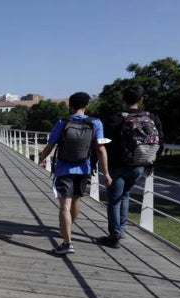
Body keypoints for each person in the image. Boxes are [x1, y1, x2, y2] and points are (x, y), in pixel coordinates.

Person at [39, 92, 111, 254]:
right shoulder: (96, 123)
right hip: (84, 169)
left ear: (70, 105)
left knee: (65, 205)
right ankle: (69, 226)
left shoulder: (62, 123)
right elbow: (101, 149)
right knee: (76, 200)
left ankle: (67, 243)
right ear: (86, 106)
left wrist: (42, 158)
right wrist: (106, 173)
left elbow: (50, 145)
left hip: (64, 169)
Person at [97, 85, 163, 248]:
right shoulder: (152, 117)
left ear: (122, 100)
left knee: (114, 200)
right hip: (139, 165)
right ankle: (121, 230)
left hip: (117, 165)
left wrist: (98, 161)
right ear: (141, 99)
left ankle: (114, 236)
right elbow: (160, 140)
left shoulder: (115, 119)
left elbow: (104, 143)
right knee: (125, 195)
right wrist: (152, 161)